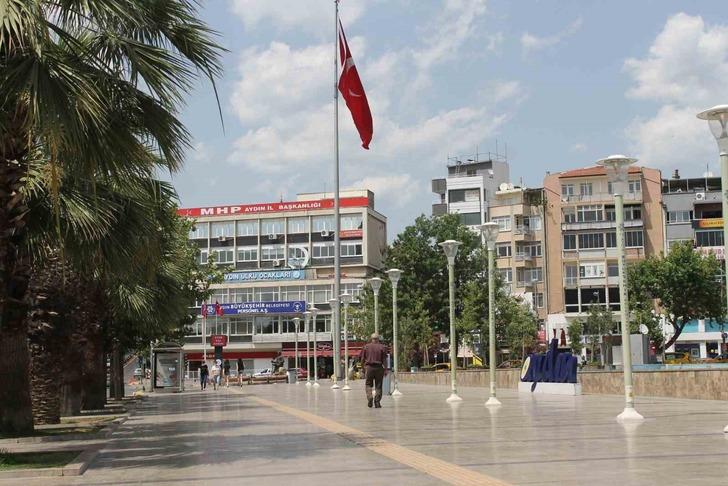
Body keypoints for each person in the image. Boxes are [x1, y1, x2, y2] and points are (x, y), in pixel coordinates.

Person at [360, 333, 387, 408]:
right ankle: (377, 402)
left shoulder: (366, 347)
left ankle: (370, 397)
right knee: (378, 385)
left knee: (368, 384)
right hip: (379, 368)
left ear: (371, 339)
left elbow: (362, 359)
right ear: (378, 339)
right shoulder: (382, 347)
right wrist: (385, 369)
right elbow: (384, 360)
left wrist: (363, 368)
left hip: (369, 368)